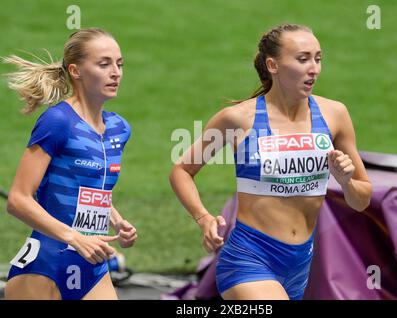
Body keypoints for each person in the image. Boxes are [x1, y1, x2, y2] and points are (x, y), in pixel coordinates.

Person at [169, 23, 372, 300]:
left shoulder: (335, 115)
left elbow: (361, 200)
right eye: (302, 59)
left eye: (318, 58)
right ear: (273, 65)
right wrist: (203, 218)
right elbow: (182, 170)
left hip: (300, 264)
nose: (314, 68)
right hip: (248, 258)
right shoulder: (238, 119)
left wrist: (347, 182)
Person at [3, 28, 137, 300]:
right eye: (104, 64)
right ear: (75, 71)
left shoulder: (118, 129)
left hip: (92, 266)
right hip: (45, 266)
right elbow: (17, 200)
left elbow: (86, 187)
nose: (116, 72)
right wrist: (75, 238)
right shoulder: (57, 122)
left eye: (119, 64)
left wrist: (116, 220)